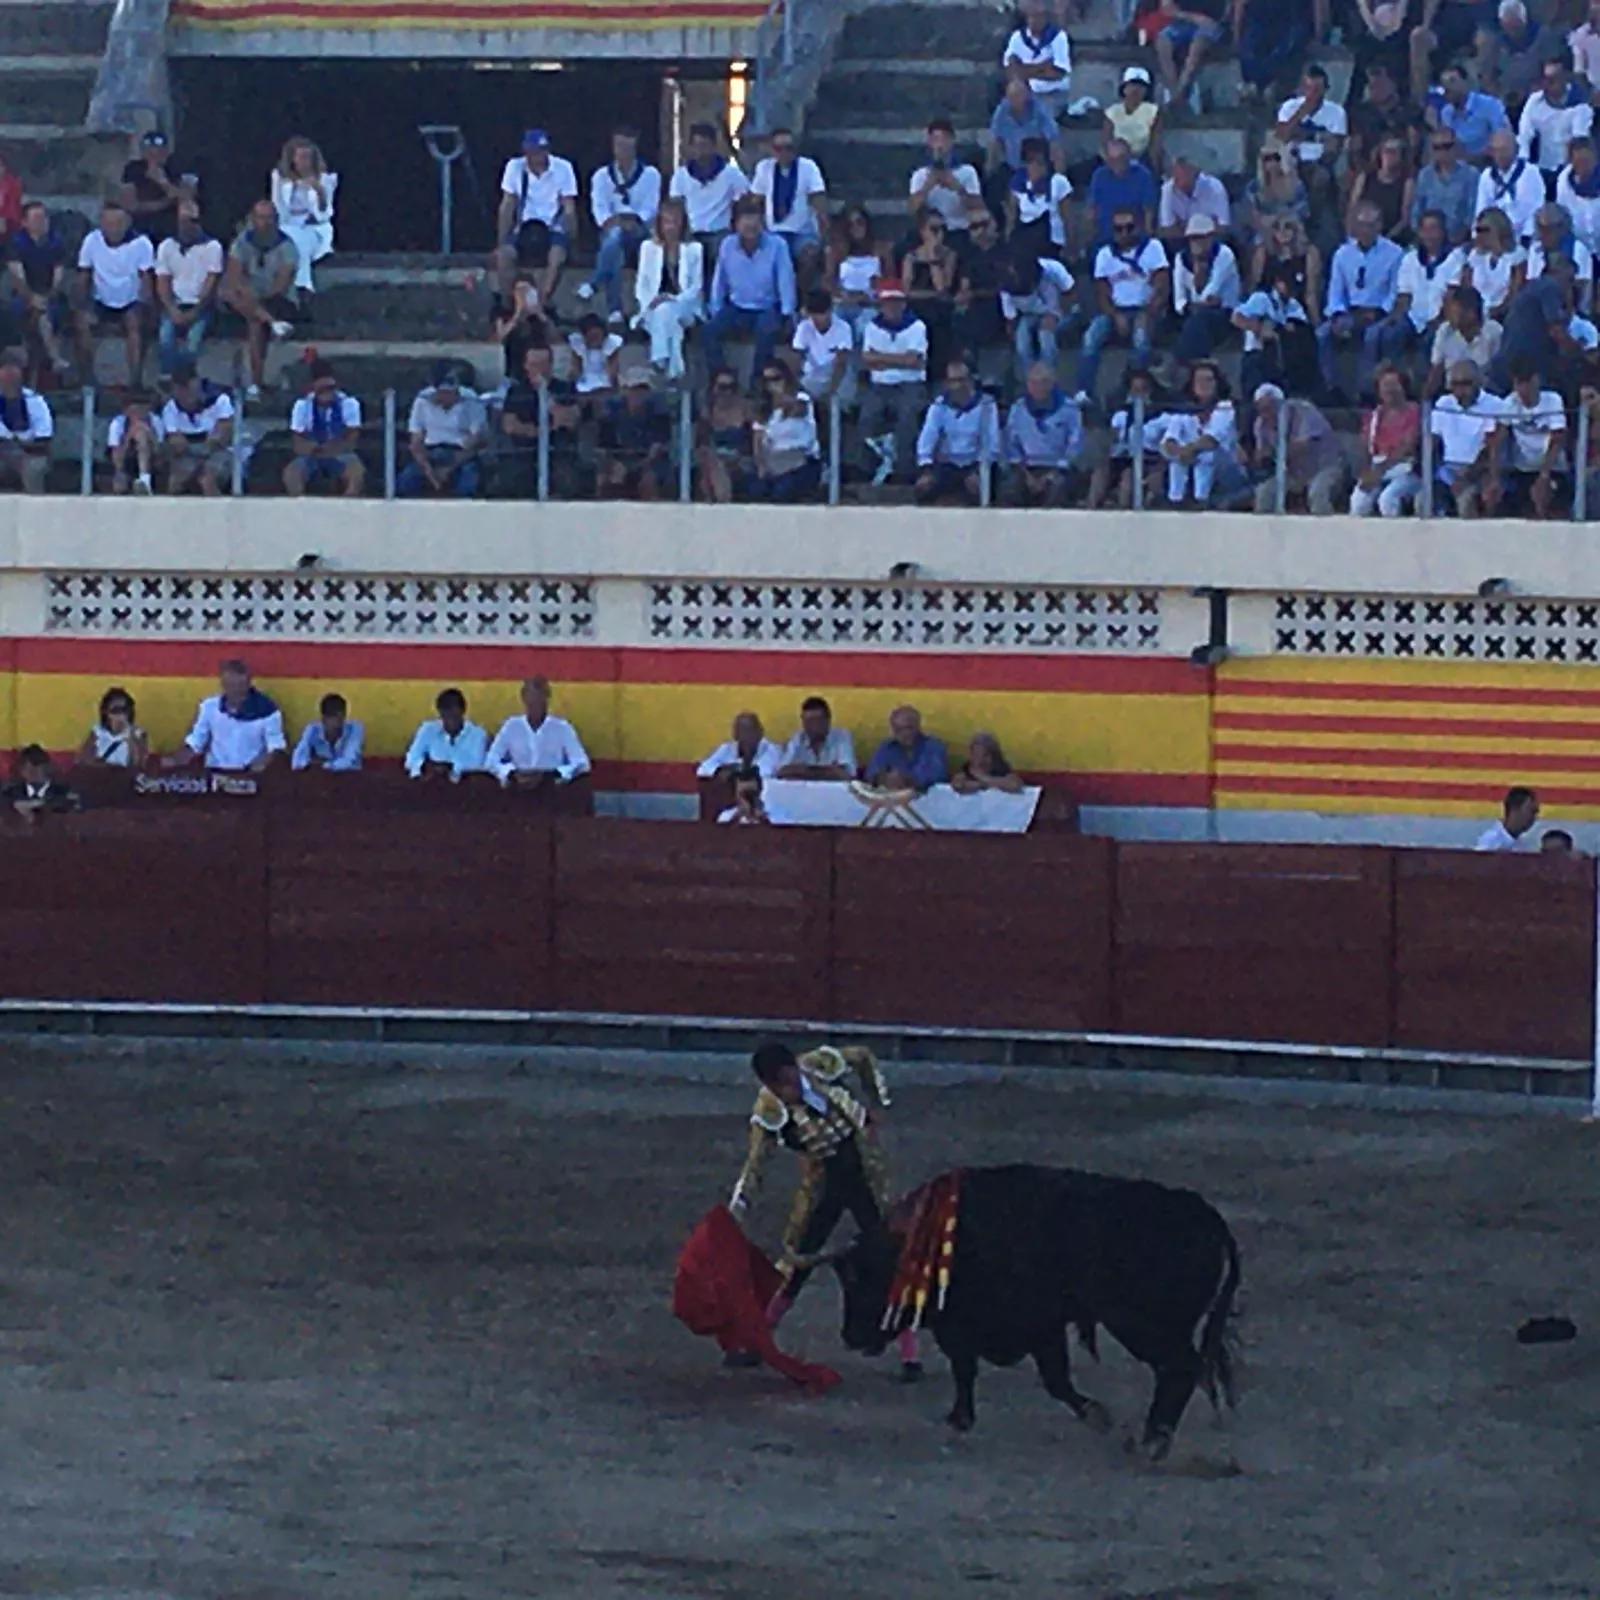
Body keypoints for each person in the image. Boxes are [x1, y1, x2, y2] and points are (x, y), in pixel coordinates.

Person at [726, 1040, 918, 1379]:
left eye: (785, 1081)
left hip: (865, 1177)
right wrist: (736, 1208)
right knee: (797, 1263)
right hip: (823, 1188)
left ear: (792, 1069)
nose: (785, 1092)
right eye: (776, 1086)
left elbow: (862, 1056)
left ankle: (910, 1356)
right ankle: (756, 1343)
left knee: (890, 1258)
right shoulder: (769, 1110)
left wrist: (879, 1101)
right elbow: (755, 1164)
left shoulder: (820, 1065)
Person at [1076, 207, 1169, 403]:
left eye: (1129, 227)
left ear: (1139, 227)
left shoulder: (1153, 247)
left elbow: (1162, 285)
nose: (1124, 233)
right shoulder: (1105, 254)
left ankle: (1136, 392)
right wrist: (1114, 314)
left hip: (1146, 310)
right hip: (1116, 310)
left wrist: (1149, 310)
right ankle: (1084, 392)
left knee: (1141, 338)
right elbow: (1101, 293)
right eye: (1119, 228)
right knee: (1091, 335)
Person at [1318, 201, 1405, 399]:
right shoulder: (1342, 253)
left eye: (1371, 225)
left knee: (1371, 336)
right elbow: (1336, 290)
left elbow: (1395, 290)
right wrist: (1338, 313)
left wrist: (1380, 312)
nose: (1365, 230)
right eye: (1361, 225)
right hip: (1350, 311)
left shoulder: (1395, 253)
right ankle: (1331, 389)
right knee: (1322, 334)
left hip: (1379, 312)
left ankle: (1365, 391)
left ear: (1379, 226)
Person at [704, 199, 796, 377]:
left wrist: (787, 313)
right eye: (745, 225)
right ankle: (721, 378)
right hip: (736, 307)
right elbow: (719, 281)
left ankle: (757, 385)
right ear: (736, 224)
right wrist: (715, 310)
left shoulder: (777, 245)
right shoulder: (727, 245)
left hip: (767, 308)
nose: (750, 230)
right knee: (709, 331)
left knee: (766, 332)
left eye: (755, 225)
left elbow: (786, 280)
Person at [580, 125, 660, 325]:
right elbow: (599, 208)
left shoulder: (650, 174)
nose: (623, 152)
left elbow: (650, 208)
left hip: (640, 231)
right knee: (615, 246)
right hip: (612, 228)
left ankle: (594, 283)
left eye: (628, 147)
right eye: (619, 146)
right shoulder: (601, 176)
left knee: (616, 241)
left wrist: (632, 220)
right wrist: (613, 222)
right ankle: (615, 311)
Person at [221, 198, 299, 398]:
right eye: (261, 218)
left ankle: (255, 382)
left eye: (270, 218)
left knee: (255, 321)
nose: (266, 223)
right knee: (229, 293)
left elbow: (281, 283)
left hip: (276, 299)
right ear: (252, 219)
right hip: (245, 296)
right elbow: (234, 275)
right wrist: (247, 292)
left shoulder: (288, 246)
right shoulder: (240, 243)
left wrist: (257, 296)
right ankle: (273, 324)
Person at [495, 128, 578, 305]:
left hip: (551, 229)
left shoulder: (563, 168)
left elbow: (569, 207)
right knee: (504, 256)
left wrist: (571, 238)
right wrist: (502, 241)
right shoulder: (514, 167)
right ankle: (509, 304)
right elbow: (507, 205)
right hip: (523, 228)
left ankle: (540, 304)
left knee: (556, 257)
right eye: (533, 152)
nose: (538, 156)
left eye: (542, 151)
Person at [856, 281, 928, 486]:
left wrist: (882, 359)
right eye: (887, 302)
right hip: (879, 385)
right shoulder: (872, 326)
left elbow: (915, 361)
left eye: (896, 302)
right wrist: (900, 359)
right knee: (867, 417)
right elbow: (867, 359)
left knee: (907, 418)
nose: (892, 307)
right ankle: (868, 469)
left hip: (911, 385)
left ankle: (904, 473)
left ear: (904, 303)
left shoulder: (917, 326)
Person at [74, 200, 152, 385]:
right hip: (100, 300)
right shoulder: (91, 240)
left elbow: (146, 279)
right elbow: (83, 274)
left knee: (135, 326)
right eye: (108, 224)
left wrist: (145, 305)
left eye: (118, 223)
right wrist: (79, 304)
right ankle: (88, 382)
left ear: (127, 223)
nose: (113, 229)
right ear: (101, 223)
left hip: (130, 301)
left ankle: (135, 381)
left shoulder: (142, 244)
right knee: (82, 323)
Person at [166, 659, 286, 772]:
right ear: (223, 685)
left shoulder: (268, 711)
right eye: (231, 686)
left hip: (250, 776)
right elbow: (195, 743)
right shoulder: (209, 707)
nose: (236, 691)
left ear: (249, 683)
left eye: (241, 686)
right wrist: (174, 761)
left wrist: (261, 764)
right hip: (215, 775)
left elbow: (276, 749)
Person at [1157, 359, 1248, 506]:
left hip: (1226, 470)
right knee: (1177, 458)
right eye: (1199, 380)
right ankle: (1175, 500)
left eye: (1209, 380)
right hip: (1191, 462)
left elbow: (1211, 440)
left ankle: (1201, 500)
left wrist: (1187, 450)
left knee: (1206, 455)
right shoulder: (1184, 410)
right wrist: (1178, 451)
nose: (1204, 385)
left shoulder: (1225, 408)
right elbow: (1169, 440)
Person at [631, 197, 702, 380]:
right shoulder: (648, 248)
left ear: (683, 223)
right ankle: (675, 370)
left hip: (685, 305)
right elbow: (642, 285)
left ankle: (659, 358)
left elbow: (695, 287)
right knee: (670, 323)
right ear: (660, 224)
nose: (671, 227)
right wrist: (651, 302)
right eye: (667, 222)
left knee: (666, 310)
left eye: (675, 222)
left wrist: (672, 298)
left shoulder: (694, 249)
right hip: (655, 306)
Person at [1250, 383, 1348, 513]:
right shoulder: (1260, 424)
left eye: (1269, 407)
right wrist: (1262, 457)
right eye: (1261, 409)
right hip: (1293, 473)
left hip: (1325, 466)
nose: (1266, 413)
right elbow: (1261, 454)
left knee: (1317, 494)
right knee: (1264, 493)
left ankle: (1325, 530)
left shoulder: (1304, 411)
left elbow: (1301, 446)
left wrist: (1274, 452)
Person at [914, 358, 999, 506]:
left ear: (970, 381)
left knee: (982, 487)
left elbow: (991, 443)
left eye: (961, 380)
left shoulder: (987, 405)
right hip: (947, 464)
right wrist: (926, 469)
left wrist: (978, 471)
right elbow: (927, 437)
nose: (958, 385)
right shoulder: (939, 405)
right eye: (953, 381)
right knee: (924, 489)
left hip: (976, 464)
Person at [152, 199, 222, 378]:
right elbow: (162, 281)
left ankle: (186, 381)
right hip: (175, 304)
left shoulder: (212, 247)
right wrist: (171, 308)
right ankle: (167, 378)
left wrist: (196, 310)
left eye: (193, 220)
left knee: (192, 344)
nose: (188, 225)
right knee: (165, 339)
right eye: (184, 221)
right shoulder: (166, 246)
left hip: (201, 306)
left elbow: (211, 283)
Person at [1430, 358, 1507, 515]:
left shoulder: (1495, 404)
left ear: (1478, 382)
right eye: (1455, 384)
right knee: (1423, 500)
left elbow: (1492, 448)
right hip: (1447, 469)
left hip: (1479, 470)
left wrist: (1466, 477)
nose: (1461, 389)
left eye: (1466, 383)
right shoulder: (1443, 404)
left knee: (1466, 500)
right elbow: (1432, 443)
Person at [1001, 361, 1083, 507]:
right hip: (1027, 468)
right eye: (1034, 383)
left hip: (1058, 468)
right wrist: (1027, 475)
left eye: (1044, 382)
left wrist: (1051, 476)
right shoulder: (1018, 409)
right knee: (1010, 487)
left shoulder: (1069, 409)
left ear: (1053, 383)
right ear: (1027, 384)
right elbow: (1011, 446)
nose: (1039, 388)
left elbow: (1074, 447)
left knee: (1058, 489)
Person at [751, 127, 828, 282]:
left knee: (809, 255)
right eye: (779, 148)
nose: (784, 153)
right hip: (773, 231)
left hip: (803, 231)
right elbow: (755, 201)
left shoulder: (808, 167)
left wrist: (823, 227)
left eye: (789, 148)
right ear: (771, 150)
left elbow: (818, 198)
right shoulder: (764, 168)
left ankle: (802, 298)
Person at [1234, 258, 1319, 396]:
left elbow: (1299, 328)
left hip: (1283, 361)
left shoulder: (1293, 305)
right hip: (1257, 357)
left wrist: (1279, 330)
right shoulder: (1261, 298)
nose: (1291, 290)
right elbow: (1237, 318)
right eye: (1288, 284)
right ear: (1278, 282)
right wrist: (1259, 328)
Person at [486, 676, 590, 788]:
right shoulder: (511, 726)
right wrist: (511, 773)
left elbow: (582, 763)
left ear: (547, 698)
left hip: (551, 788)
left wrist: (556, 773)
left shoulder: (562, 728)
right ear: (524, 699)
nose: (536, 705)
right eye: (532, 701)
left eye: (540, 701)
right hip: (517, 788)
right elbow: (490, 761)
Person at [399, 365, 486, 499]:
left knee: (468, 485)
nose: (447, 396)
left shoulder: (472, 400)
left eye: (450, 392)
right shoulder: (422, 400)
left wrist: (448, 469)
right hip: (430, 453)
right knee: (404, 482)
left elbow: (475, 444)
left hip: (460, 455)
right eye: (442, 392)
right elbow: (416, 442)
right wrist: (429, 471)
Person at [1349, 362, 1423, 516]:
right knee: (1358, 501)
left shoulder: (1415, 412)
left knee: (1387, 499)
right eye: (1385, 385)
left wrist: (1379, 473)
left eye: (1394, 385)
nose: (1390, 390)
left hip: (1407, 469)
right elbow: (1364, 447)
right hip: (1378, 467)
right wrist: (1365, 473)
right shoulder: (1375, 416)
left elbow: (1407, 447)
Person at [283, 358, 365, 497]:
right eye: (322, 390)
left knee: (356, 472)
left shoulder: (349, 404)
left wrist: (330, 448)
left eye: (330, 388)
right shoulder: (302, 405)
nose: (327, 393)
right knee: (291, 473)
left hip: (340, 453)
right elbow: (297, 442)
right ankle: (298, 504)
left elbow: (352, 441)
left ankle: (349, 504)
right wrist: (311, 447)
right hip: (311, 454)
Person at [1500, 352, 1569, 516]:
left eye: (1527, 382)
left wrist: (1544, 475)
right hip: (1522, 471)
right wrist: (1494, 476)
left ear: (1536, 379)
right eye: (1519, 383)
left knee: (1545, 495)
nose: (1523, 389)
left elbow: (1557, 439)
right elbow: (1498, 438)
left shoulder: (1553, 400)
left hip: (1554, 469)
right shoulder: (1509, 403)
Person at [1275, 65, 1348, 221]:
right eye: (1310, 88)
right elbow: (1282, 135)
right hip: (1292, 161)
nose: (1314, 94)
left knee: (1321, 178)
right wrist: (1302, 112)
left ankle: (1312, 219)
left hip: (1318, 163)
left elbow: (1334, 147)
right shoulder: (1289, 107)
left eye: (1318, 89)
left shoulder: (1336, 112)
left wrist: (1301, 135)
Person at [6, 201, 69, 378]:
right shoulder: (16, 242)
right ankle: (53, 356)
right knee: (35, 312)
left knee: (45, 313)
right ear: (25, 222)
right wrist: (32, 298)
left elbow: (59, 277)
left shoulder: (56, 242)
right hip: (23, 295)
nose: (41, 222)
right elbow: (18, 279)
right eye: (36, 218)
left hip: (50, 295)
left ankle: (41, 367)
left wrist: (47, 296)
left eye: (43, 218)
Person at [270, 136, 338, 296]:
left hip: (313, 226)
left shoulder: (326, 179)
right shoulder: (279, 178)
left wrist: (319, 191)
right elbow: (277, 205)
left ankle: (301, 285)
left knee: (301, 239)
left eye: (308, 157)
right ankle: (302, 286)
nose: (304, 162)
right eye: (300, 157)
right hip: (286, 224)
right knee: (293, 237)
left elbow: (325, 213)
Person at [669, 123, 750, 255]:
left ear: (713, 146)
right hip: (691, 234)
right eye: (697, 146)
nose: (701, 151)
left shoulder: (731, 174)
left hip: (720, 233)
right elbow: (675, 207)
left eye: (705, 146)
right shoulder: (680, 176)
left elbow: (745, 201)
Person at [161, 360, 236, 497]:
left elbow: (221, 436)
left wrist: (202, 445)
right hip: (187, 457)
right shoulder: (170, 408)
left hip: (219, 454)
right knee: (176, 479)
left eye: (186, 385)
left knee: (207, 478)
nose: (183, 391)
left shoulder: (220, 400)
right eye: (179, 387)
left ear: (196, 383)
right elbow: (176, 443)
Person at [1393, 208, 1463, 355]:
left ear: (1443, 232)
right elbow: (1404, 295)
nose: (1429, 235)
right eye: (1424, 230)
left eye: (1434, 229)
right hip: (1413, 317)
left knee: (1430, 339)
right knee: (1391, 335)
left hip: (1440, 318)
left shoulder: (1455, 258)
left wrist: (1438, 320)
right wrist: (1403, 317)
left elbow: (1451, 295)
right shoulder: (1410, 258)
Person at [900, 206, 960, 378]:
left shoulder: (949, 255)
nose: (939, 233)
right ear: (922, 231)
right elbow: (907, 290)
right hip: (917, 306)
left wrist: (933, 257)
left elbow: (942, 286)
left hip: (940, 308)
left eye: (942, 229)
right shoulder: (911, 257)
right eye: (933, 229)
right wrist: (931, 294)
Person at [1172, 215, 1241, 362]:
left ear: (1211, 238)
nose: (1198, 243)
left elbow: (1210, 292)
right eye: (1194, 238)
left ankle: (1178, 364)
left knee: (1200, 318)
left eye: (1202, 238)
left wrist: (1199, 273)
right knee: (1196, 320)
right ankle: (1194, 362)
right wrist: (1189, 306)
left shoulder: (1224, 255)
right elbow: (1179, 301)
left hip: (1225, 314)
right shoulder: (1181, 259)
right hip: (1193, 314)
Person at [991, 77, 1064, 213]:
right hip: (1011, 166)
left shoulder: (1040, 111)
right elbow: (995, 140)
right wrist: (990, 166)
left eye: (1018, 95)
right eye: (1011, 96)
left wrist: (1059, 174)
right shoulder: (1002, 110)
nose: (1014, 100)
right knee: (993, 186)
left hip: (1036, 167)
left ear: (1027, 95)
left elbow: (1054, 141)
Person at [1000, 246, 1074, 378]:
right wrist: (1013, 333)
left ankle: (1048, 378)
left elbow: (1072, 298)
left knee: (1045, 338)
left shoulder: (1053, 269)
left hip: (1061, 310)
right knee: (1022, 343)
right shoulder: (1006, 286)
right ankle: (1032, 381)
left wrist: (1054, 314)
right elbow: (1011, 319)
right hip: (1030, 315)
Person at [597, 369, 671, 500]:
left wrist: (640, 466)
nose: (637, 393)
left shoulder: (658, 416)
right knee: (606, 478)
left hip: (648, 463)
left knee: (649, 480)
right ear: (624, 391)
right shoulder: (612, 416)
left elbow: (657, 448)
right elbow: (605, 447)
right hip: (619, 461)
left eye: (642, 389)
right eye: (633, 389)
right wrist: (614, 463)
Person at [749, 367, 821, 502]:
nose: (772, 384)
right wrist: (761, 465)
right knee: (756, 489)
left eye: (776, 379)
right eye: (767, 381)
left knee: (783, 490)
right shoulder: (763, 411)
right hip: (773, 462)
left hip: (801, 461)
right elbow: (757, 442)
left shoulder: (802, 398)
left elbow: (795, 409)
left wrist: (779, 399)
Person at [908, 119, 984, 244]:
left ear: (952, 141)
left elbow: (978, 207)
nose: (940, 145)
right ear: (929, 142)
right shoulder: (920, 175)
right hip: (930, 232)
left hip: (959, 230)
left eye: (944, 139)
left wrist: (958, 188)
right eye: (936, 139)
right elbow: (912, 210)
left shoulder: (968, 172)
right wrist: (926, 187)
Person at [1519, 57, 1593, 180]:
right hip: (1541, 170)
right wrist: (1523, 166)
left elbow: (1579, 142)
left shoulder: (1580, 106)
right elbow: (1524, 136)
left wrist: (1568, 173)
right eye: (1547, 79)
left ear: (1565, 78)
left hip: (1569, 171)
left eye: (1555, 79)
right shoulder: (1534, 101)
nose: (1550, 83)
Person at [826, 204, 895, 333]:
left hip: (871, 304)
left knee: (865, 325)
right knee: (837, 322)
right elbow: (829, 281)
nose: (856, 228)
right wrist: (842, 295)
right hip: (844, 302)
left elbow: (890, 281)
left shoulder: (882, 249)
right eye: (850, 225)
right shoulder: (836, 251)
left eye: (860, 223)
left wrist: (875, 290)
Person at [1425, 62, 1511, 163]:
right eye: (1443, 84)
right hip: (1459, 168)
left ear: (1465, 83)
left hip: (1488, 164)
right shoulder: (1446, 113)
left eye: (1452, 81)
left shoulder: (1490, 105)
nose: (1447, 87)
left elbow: (1503, 137)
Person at [1003, 0, 1073, 122]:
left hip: (1053, 94)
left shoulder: (1058, 37)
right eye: (1033, 16)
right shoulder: (1017, 37)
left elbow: (1058, 72)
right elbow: (1010, 68)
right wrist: (1042, 67)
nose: (1036, 20)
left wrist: (1024, 70)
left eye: (1040, 16)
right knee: (1006, 115)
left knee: (1040, 118)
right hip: (1024, 92)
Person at [1427, 283, 1503, 397]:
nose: (1448, 315)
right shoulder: (1444, 331)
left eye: (1454, 311)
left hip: (1485, 395)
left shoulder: (1494, 332)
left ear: (1471, 313)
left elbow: (1500, 373)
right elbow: (1436, 372)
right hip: (1451, 395)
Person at [1155, 0, 1227, 114]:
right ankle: (1174, 92)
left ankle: (1182, 89)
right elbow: (1167, 7)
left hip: (1211, 24)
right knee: (1162, 39)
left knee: (1197, 47)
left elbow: (1218, 16)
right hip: (1183, 22)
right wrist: (1191, 17)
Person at [118, 129, 191, 244]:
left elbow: (186, 200)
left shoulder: (175, 168)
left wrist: (162, 181)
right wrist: (164, 203)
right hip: (140, 228)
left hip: (170, 229)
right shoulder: (132, 169)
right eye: (149, 151)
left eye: (158, 151)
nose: (154, 155)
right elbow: (130, 204)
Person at [1006, 137, 1072, 260]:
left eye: (1039, 162)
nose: (1035, 166)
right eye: (1030, 161)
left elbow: (1067, 218)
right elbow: (1012, 216)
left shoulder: (1058, 181)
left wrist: (1070, 247)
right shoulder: (1017, 183)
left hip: (1053, 241)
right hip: (1025, 239)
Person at [1476, 127, 1545, 245]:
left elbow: (1535, 210)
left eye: (1504, 150)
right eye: (1496, 151)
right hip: (1494, 239)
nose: (1500, 155)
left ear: (1516, 150)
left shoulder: (1530, 172)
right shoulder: (1486, 176)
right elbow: (1481, 209)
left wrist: (1525, 239)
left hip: (1522, 238)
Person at [1412, 125, 1479, 248]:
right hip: (1428, 240)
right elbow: (1417, 210)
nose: (1443, 151)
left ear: (1456, 147)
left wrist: (1457, 239)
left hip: (1459, 241)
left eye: (1447, 146)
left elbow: (1472, 213)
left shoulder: (1471, 174)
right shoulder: (1425, 175)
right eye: (1437, 147)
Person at [696, 366, 755, 504]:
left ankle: (718, 501)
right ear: (714, 389)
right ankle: (722, 499)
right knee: (713, 464)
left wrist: (737, 456)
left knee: (716, 467)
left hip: (741, 459)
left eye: (731, 387)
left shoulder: (745, 410)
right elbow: (700, 443)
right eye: (723, 387)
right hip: (715, 459)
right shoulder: (708, 412)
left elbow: (753, 441)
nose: (727, 392)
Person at [1249, 211, 1321, 323]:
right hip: (1267, 315)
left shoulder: (1308, 255)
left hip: (1297, 316)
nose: (1282, 232)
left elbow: (1310, 294)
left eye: (1287, 227)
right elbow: (1254, 288)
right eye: (1277, 227)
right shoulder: (1262, 253)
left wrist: (1316, 323)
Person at [1087, 138, 1158, 250]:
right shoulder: (1099, 176)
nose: (1117, 164)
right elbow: (1092, 210)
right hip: (1105, 240)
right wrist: (1090, 236)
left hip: (1134, 239)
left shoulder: (1143, 175)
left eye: (1121, 158)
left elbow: (1148, 211)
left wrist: (1148, 239)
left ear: (1129, 156)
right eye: (1112, 160)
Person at [404, 687, 488, 781]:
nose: (449, 716)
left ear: (463, 711)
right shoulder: (428, 729)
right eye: (445, 711)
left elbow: (478, 765)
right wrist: (423, 766)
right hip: (431, 786)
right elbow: (411, 758)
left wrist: (450, 769)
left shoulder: (477, 734)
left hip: (464, 788)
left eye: (453, 711)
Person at [1458, 206, 1525, 324]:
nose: (1479, 235)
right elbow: (1466, 288)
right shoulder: (1474, 256)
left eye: (1484, 230)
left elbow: (1516, 292)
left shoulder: (1517, 255)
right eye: (1477, 230)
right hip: (1476, 316)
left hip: (1504, 316)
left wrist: (1496, 312)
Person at [0, 346, 52, 494]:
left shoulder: (36, 401)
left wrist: (19, 448)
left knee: (33, 468)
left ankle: (36, 512)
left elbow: (44, 439)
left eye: (14, 368)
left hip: (31, 454)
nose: (9, 374)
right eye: (5, 368)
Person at [792, 288, 855, 406]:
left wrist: (830, 390)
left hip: (837, 376)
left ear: (830, 310)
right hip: (812, 376)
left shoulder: (843, 328)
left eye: (821, 313)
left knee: (837, 399)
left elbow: (841, 364)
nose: (817, 318)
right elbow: (797, 357)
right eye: (813, 313)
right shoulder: (804, 327)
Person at [1346, 135, 1414, 244]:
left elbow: (1404, 219)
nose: (1389, 156)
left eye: (1394, 152)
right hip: (1361, 236)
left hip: (1392, 239)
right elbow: (1352, 209)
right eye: (1386, 151)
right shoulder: (1365, 178)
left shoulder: (1406, 183)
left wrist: (1384, 240)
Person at [864, 705, 948, 792]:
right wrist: (884, 779)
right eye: (898, 729)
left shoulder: (933, 746)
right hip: (891, 797)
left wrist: (905, 780)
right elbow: (871, 775)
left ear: (917, 726)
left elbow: (936, 778)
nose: (904, 733)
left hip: (925, 798)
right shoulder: (886, 746)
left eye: (908, 728)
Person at [1245, 142, 1309, 245]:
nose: (1272, 163)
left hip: (1292, 230)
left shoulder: (1296, 185)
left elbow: (1303, 212)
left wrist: (1279, 219)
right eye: (1267, 159)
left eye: (1276, 158)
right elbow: (1253, 217)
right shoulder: (1253, 187)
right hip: (1265, 232)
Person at [777, 696, 856, 780]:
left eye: (815, 720)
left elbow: (847, 774)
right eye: (806, 721)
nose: (810, 726)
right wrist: (829, 771)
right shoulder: (799, 737)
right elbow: (782, 771)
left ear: (827, 720)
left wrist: (802, 770)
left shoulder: (841, 736)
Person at [1157, 156, 1231, 244]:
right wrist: (1200, 230)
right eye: (1176, 172)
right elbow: (1167, 230)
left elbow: (1223, 228)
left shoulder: (1215, 187)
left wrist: (1184, 226)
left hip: (1211, 241)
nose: (1178, 176)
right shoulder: (1168, 189)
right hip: (1181, 243)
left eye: (1183, 171)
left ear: (1194, 172)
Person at [1103, 66, 1162, 170]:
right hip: (1116, 157)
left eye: (1141, 86)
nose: (1136, 89)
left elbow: (1155, 143)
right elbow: (1106, 141)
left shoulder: (1153, 111)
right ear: (1124, 88)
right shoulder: (1112, 112)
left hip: (1142, 158)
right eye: (1132, 84)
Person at [698, 712, 783, 782]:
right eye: (740, 731)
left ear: (760, 732)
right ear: (734, 735)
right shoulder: (727, 748)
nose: (745, 735)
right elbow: (702, 769)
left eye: (749, 730)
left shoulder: (772, 749)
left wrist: (734, 770)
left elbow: (764, 772)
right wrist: (720, 770)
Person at [290, 692, 364, 772]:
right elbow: (297, 762)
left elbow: (349, 761)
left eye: (341, 717)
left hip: (349, 779)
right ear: (324, 719)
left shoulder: (354, 728)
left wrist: (323, 764)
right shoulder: (312, 729)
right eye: (333, 717)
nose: (338, 722)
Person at [77, 686, 148, 769]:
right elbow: (84, 760)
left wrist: (130, 738)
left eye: (123, 710)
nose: (119, 714)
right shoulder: (98, 733)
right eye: (115, 710)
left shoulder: (137, 733)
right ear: (106, 712)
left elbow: (139, 764)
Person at [106, 390, 161, 495]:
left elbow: (161, 453)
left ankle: (145, 479)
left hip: (152, 463)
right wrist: (129, 435)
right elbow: (117, 461)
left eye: (143, 405)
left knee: (142, 437)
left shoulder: (156, 421)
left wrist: (150, 435)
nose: (139, 410)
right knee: (119, 485)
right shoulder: (117, 424)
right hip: (127, 463)